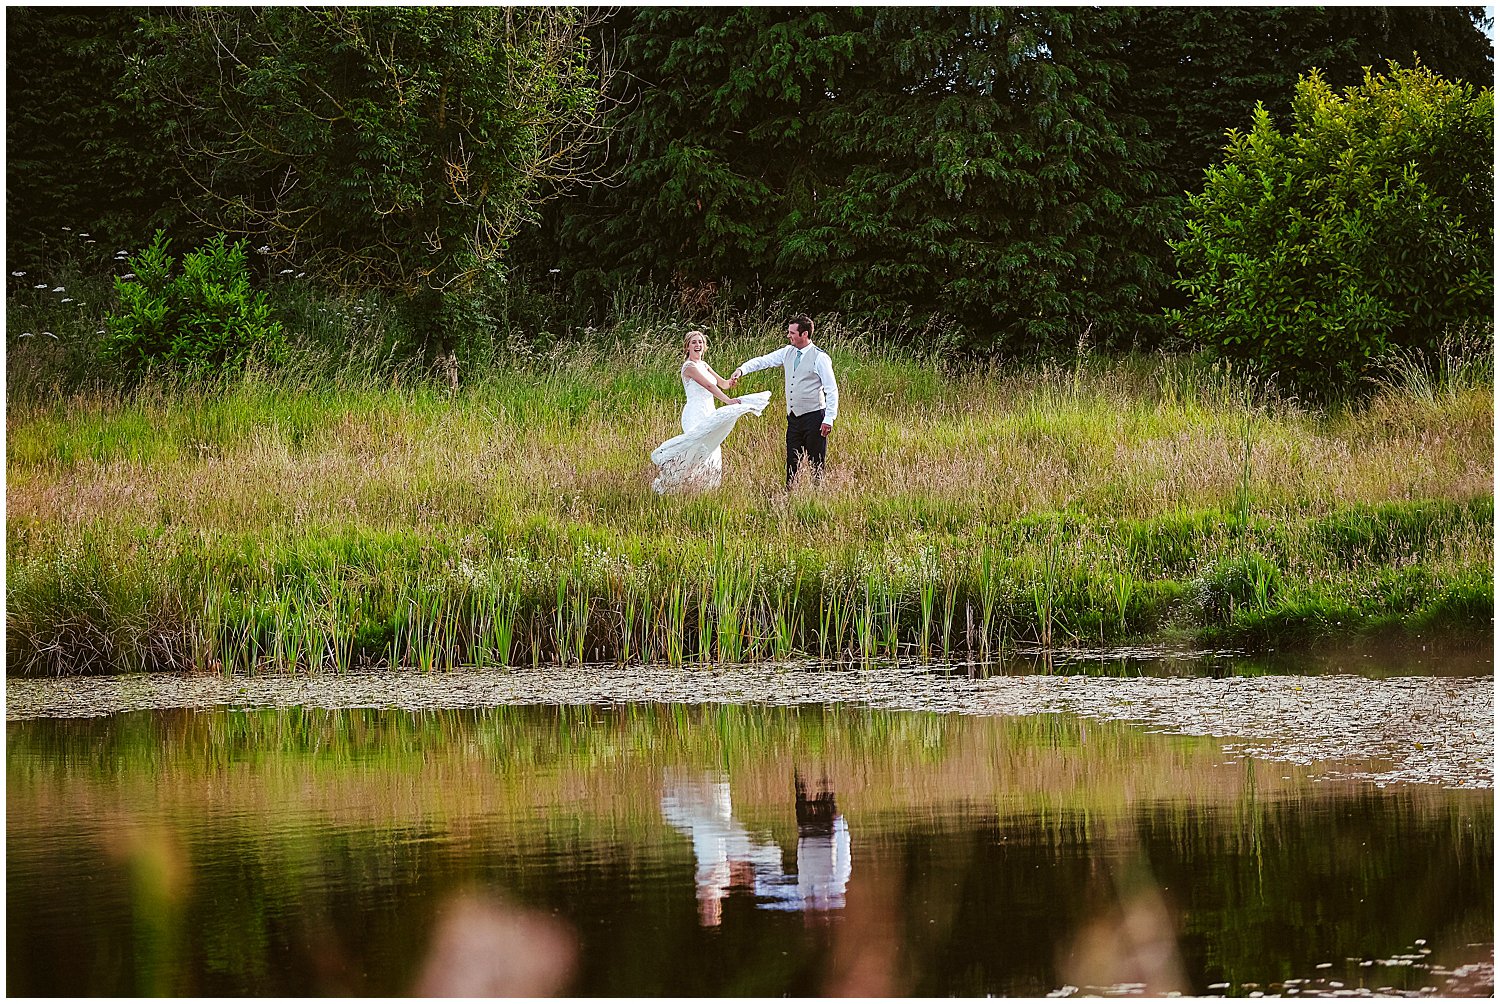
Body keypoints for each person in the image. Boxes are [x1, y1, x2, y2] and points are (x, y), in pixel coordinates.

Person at [650, 330, 771, 494]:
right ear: (687, 347)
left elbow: (722, 383)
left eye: (700, 342)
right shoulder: (689, 367)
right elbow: (709, 385)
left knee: (712, 446)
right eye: (694, 342)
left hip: (709, 409)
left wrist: (733, 379)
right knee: (696, 444)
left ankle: (704, 487)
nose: (697, 345)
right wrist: (727, 401)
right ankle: (676, 482)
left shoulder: (704, 365)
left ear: (704, 346)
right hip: (695, 412)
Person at [730, 314, 839, 487]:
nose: (788, 335)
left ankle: (818, 494)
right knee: (792, 459)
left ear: (804, 334)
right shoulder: (787, 352)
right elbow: (763, 361)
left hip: (814, 417)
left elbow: (831, 389)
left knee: (816, 461)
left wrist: (829, 419)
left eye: (792, 333)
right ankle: (789, 492)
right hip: (794, 417)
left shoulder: (820, 358)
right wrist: (742, 370)